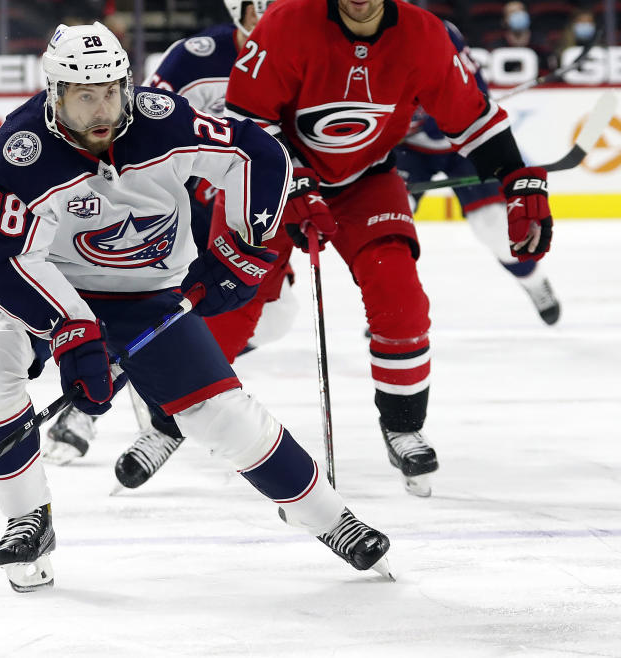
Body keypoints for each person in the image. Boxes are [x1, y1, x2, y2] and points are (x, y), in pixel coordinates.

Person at [0, 21, 391, 592]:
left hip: (145, 293)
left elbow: (256, 153)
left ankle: (333, 519)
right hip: (46, 286)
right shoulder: (21, 150)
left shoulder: (163, 119)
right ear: (55, 93)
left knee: (223, 416)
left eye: (111, 90)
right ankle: (27, 519)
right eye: (85, 96)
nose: (102, 109)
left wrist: (244, 242)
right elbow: (8, 261)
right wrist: (73, 331)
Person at [222, 0, 554, 497]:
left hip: (367, 180)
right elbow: (246, 119)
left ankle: (402, 424)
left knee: (399, 296)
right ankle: (167, 416)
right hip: (277, 180)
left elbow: (472, 118)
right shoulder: (287, 22)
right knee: (238, 305)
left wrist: (518, 180)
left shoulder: (424, 34)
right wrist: (292, 184)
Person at [43, 2, 299, 489]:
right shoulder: (196, 57)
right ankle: (92, 413)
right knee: (150, 316)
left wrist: (304, 190)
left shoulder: (305, 52)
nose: (267, 26)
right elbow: (138, 128)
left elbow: (298, 146)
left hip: (246, 213)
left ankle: (166, 412)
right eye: (258, 14)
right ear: (237, 12)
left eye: (278, 14)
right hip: (178, 218)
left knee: (276, 315)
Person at [396, 19, 561, 325]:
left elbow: (477, 88)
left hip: (461, 142)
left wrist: (441, 112)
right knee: (393, 223)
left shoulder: (435, 31)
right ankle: (390, 303)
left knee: (493, 225)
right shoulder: (350, 43)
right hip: (405, 149)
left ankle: (534, 282)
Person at [488, 1, 553, 76]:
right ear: (504, 20)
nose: (518, 15)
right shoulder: (497, 47)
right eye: (512, 12)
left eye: (521, 10)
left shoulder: (541, 43)